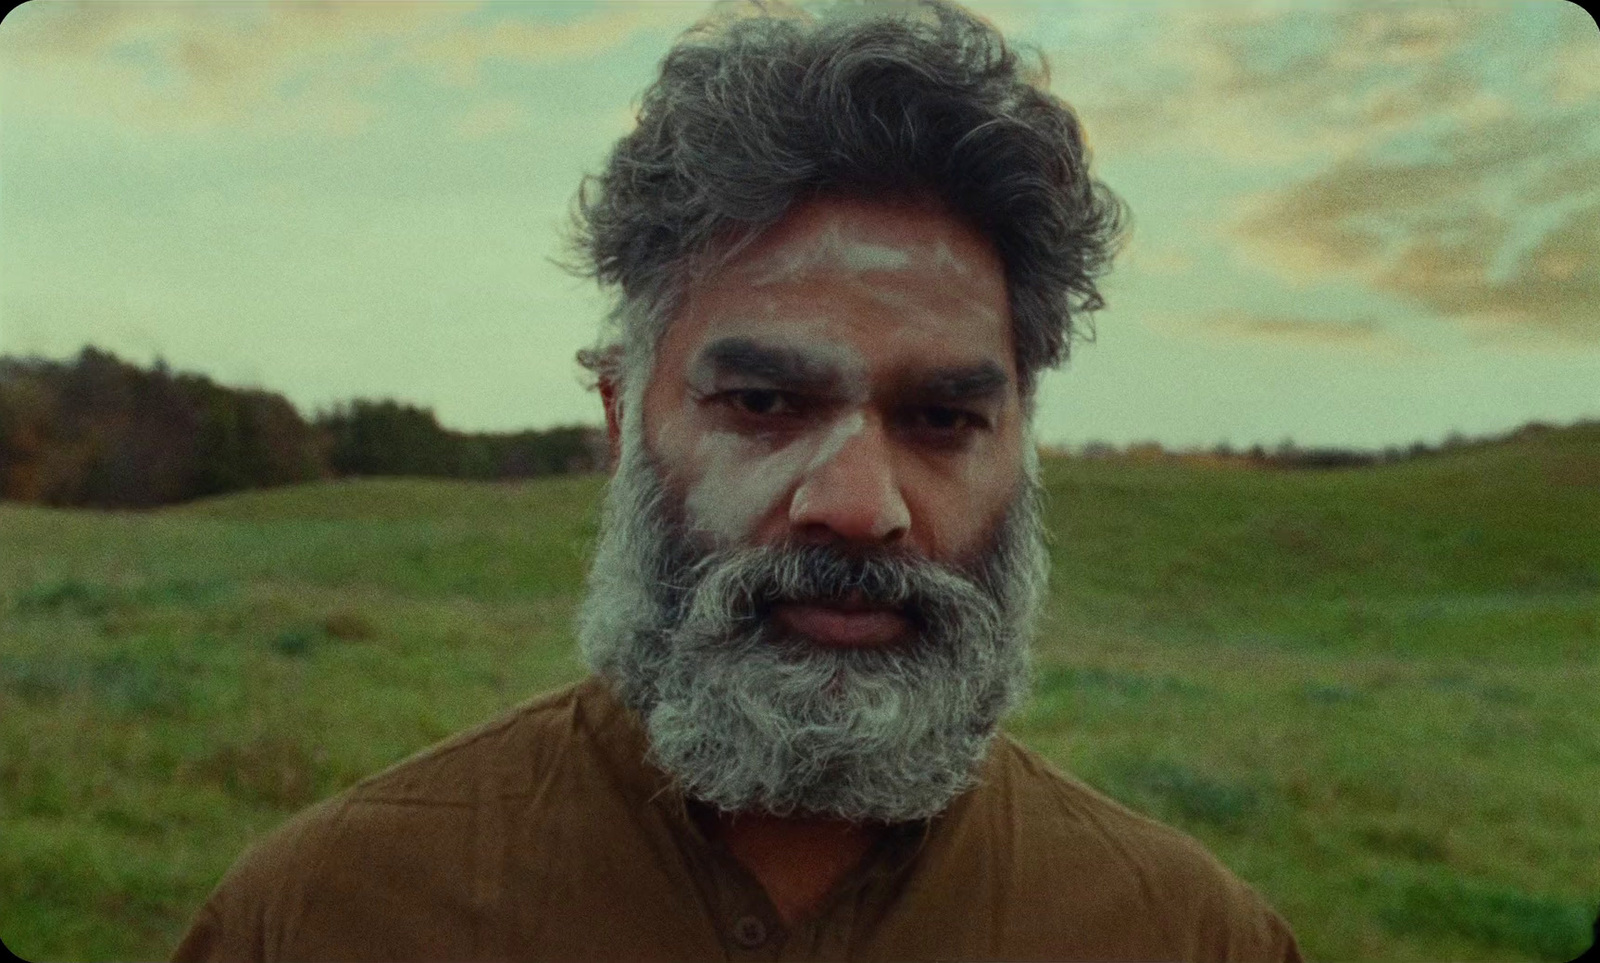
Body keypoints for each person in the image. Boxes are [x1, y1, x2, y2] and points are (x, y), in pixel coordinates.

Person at [173, 2, 1303, 960]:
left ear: (1019, 446)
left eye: (943, 419)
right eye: (764, 405)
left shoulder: (1182, 935)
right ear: (625, 421)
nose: (860, 505)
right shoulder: (326, 917)